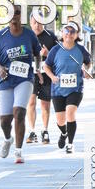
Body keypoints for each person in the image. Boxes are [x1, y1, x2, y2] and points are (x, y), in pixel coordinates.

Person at [0, 5, 42, 164]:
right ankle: (7, 139)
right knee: (5, 121)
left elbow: (37, 54)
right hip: (5, 80)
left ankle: (18, 152)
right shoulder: (1, 35)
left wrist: (37, 69)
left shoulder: (29, 34)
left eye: (17, 12)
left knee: (19, 112)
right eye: (10, 13)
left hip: (24, 78)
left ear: (21, 16)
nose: (14, 16)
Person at [44, 21, 92, 154]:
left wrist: (86, 71)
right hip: (58, 89)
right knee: (60, 120)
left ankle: (70, 143)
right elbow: (46, 66)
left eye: (72, 32)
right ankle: (64, 133)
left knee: (70, 112)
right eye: (67, 31)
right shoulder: (55, 50)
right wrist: (52, 77)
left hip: (75, 88)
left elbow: (88, 63)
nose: (69, 34)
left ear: (76, 35)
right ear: (62, 33)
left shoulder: (81, 50)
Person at [26, 12, 58, 144]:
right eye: (34, 22)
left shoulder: (51, 37)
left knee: (45, 104)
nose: (37, 25)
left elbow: (59, 57)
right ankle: (32, 131)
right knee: (31, 102)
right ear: (30, 22)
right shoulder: (26, 36)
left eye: (39, 22)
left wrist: (47, 53)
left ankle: (45, 130)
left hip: (47, 75)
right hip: (31, 73)